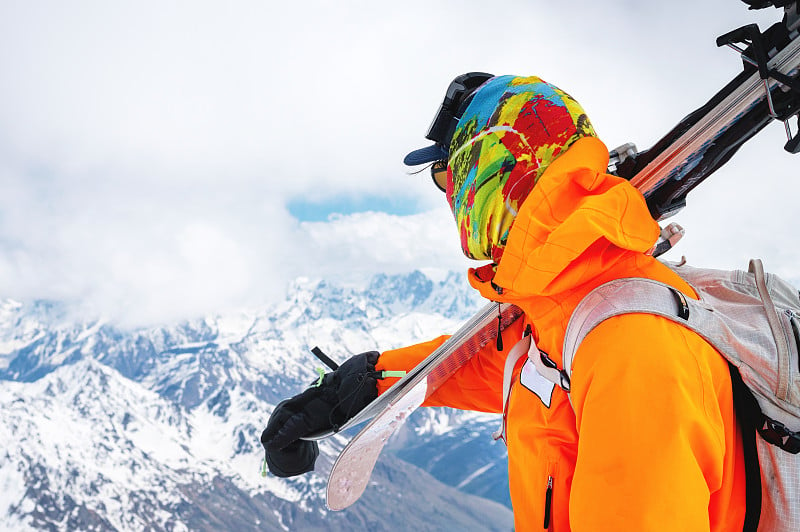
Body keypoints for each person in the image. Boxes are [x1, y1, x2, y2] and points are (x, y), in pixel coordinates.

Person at [262, 73, 748, 531]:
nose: (449, 197)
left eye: (446, 177)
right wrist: (365, 383)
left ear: (492, 169)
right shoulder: (569, 308)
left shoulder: (632, 351)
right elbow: (494, 365)